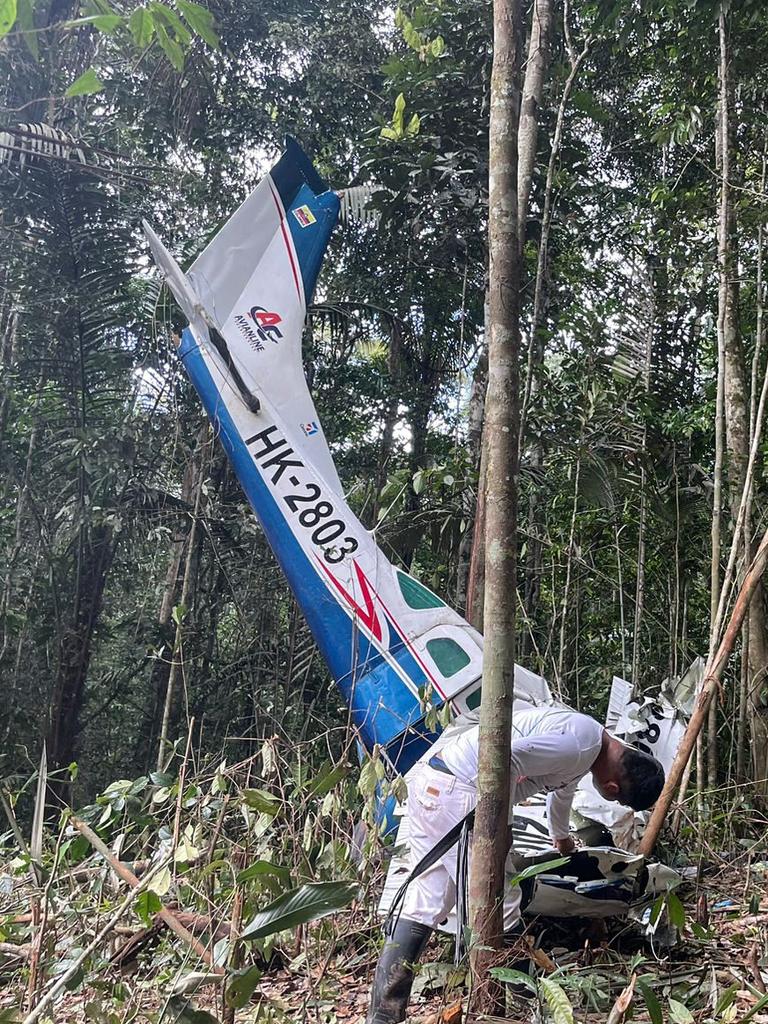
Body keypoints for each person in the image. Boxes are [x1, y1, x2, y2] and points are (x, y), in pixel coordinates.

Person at [366, 704, 665, 1024]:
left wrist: (561, 838)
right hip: (459, 792)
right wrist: (501, 826)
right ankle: (527, 1008)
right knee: (502, 901)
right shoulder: (578, 746)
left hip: (440, 783)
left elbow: (561, 793)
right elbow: (504, 757)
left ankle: (384, 1015)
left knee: (427, 902)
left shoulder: (589, 740)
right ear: (613, 790)